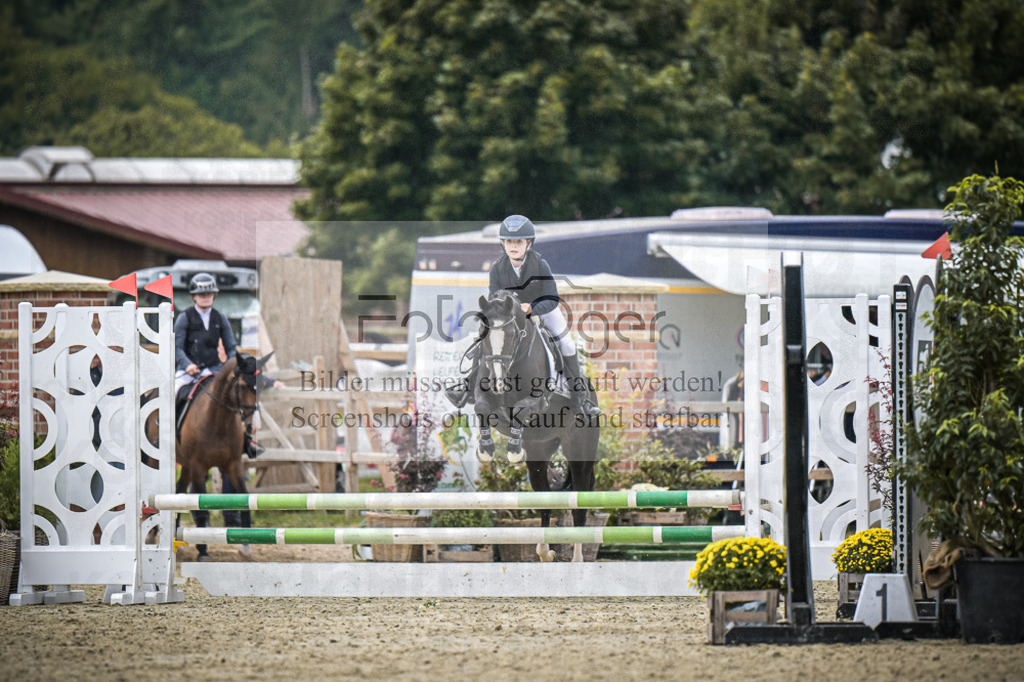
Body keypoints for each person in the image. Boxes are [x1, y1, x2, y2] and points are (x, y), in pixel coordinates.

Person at [445, 215, 600, 418]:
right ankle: (468, 386)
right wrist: (510, 311)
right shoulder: (497, 268)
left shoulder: (540, 265)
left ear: (529, 244)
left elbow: (552, 298)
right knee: (484, 338)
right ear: (503, 244)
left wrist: (532, 308)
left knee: (567, 345)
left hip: (542, 309)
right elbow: (494, 300)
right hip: (509, 315)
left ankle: (581, 400)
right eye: (509, 241)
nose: (513, 246)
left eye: (518, 242)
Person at [174, 272, 265, 458]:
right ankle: (166, 437)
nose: (205, 297)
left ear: (214, 295)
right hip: (188, 372)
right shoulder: (184, 318)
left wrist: (234, 368)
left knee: (235, 396)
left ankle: (245, 441)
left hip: (215, 370)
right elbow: (177, 348)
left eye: (208, 294)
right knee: (173, 392)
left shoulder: (220, 318)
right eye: (201, 294)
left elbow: (231, 349)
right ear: (194, 296)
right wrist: (188, 365)